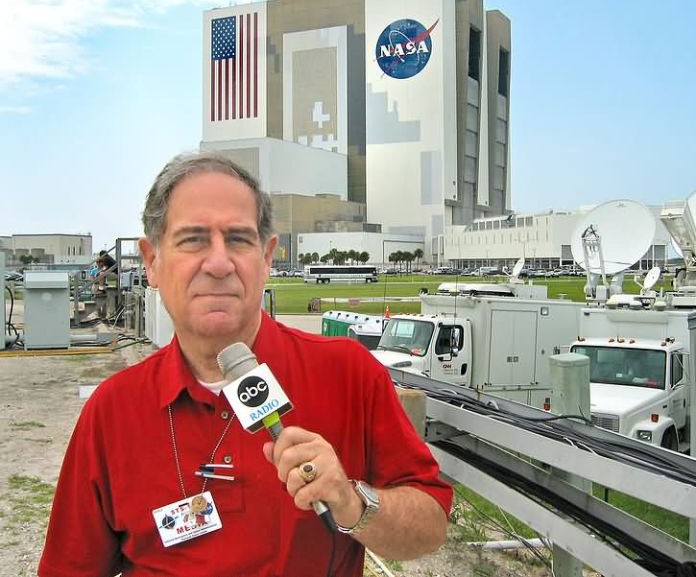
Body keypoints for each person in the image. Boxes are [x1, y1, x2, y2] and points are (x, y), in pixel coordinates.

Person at [39, 153, 452, 576]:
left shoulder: (348, 373)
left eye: (238, 239)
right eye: (193, 239)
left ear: (267, 257)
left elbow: (431, 525)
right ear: (151, 262)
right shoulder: (112, 411)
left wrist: (352, 502)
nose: (219, 264)